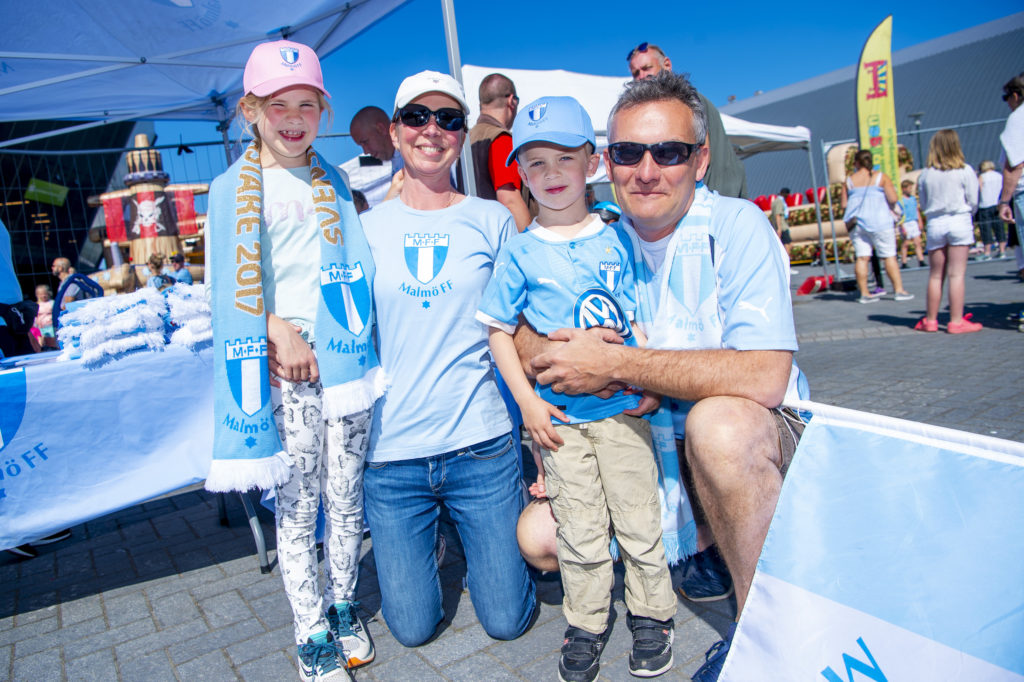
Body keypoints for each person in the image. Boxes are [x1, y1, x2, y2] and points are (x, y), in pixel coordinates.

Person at [513, 71, 809, 682]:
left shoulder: (735, 227)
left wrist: (617, 364)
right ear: (607, 162)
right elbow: (514, 326)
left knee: (719, 427)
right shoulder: (592, 237)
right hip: (644, 448)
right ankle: (702, 539)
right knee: (538, 536)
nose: (647, 170)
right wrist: (553, 350)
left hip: (757, 439)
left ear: (699, 161)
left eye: (668, 152)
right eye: (628, 153)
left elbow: (766, 375)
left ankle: (766, 637)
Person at [476, 96, 676, 681]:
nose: (552, 174)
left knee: (639, 517)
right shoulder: (518, 253)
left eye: (565, 158)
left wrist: (648, 378)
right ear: (521, 177)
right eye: (535, 164)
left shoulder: (619, 234)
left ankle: (651, 613)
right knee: (580, 527)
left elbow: (638, 316)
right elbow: (497, 335)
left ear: (592, 162)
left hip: (622, 412)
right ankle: (587, 620)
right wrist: (529, 404)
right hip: (561, 423)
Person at [206, 40, 383, 682]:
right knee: (300, 499)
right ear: (251, 110)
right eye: (278, 104)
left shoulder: (332, 179)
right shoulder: (230, 189)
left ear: (323, 111)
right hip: (288, 363)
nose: (293, 116)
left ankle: (342, 605)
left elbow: (353, 264)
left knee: (345, 491)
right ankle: (308, 629)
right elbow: (226, 283)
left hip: (345, 357)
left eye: (306, 104)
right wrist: (276, 328)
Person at [359, 70, 535, 649]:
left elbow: (522, 326)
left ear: (462, 132)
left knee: (507, 622)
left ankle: (470, 536)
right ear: (394, 130)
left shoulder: (492, 221)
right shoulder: (361, 231)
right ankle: (438, 536)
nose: (432, 130)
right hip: (393, 457)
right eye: (417, 117)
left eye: (448, 118)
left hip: (480, 447)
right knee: (410, 630)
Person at [625, 42, 746, 199]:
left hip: (715, 196)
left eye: (647, 68)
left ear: (667, 65)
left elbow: (701, 156)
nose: (641, 76)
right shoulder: (687, 100)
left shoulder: (684, 102)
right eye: (636, 73)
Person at [914, 129, 981, 333]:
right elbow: (973, 200)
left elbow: (924, 203)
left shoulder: (925, 174)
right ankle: (956, 321)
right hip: (959, 220)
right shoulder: (965, 171)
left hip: (936, 223)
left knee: (935, 275)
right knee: (956, 275)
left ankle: (931, 320)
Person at [840, 149, 914, 304]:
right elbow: (893, 198)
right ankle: (899, 290)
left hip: (857, 223)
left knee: (862, 257)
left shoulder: (849, 181)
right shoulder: (881, 177)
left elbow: (844, 205)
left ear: (857, 163)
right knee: (888, 256)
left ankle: (865, 293)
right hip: (880, 221)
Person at [468, 73, 532, 230]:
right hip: (502, 239)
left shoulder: (465, 140)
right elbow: (510, 200)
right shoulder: (501, 139)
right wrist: (531, 248)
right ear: (512, 101)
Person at [348, 105, 405, 204]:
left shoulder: (410, 155)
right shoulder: (397, 159)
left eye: (365, 142)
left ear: (381, 129)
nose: (365, 152)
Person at [997, 72, 1024, 282]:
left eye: (1007, 98)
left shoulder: (1018, 118)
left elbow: (1015, 165)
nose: (1007, 103)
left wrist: (1005, 201)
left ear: (1016, 95)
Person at [898, 179, 927, 268]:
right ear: (903, 188)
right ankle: (904, 261)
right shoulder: (901, 200)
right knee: (905, 243)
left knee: (917, 242)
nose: (911, 190)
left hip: (913, 221)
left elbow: (916, 210)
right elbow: (899, 213)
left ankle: (921, 260)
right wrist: (902, 226)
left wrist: (920, 221)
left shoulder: (913, 199)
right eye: (909, 188)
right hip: (905, 222)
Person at [769, 188, 798, 275]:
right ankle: (787, 267)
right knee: (787, 246)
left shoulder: (776, 201)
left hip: (782, 225)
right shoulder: (779, 202)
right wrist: (779, 228)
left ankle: (785, 266)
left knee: (787, 245)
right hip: (782, 226)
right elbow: (778, 214)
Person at [32, 284, 56, 348]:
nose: (43, 296)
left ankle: (54, 348)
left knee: (52, 340)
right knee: (42, 342)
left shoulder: (52, 303)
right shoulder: (36, 305)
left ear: (49, 293)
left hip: (51, 326)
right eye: (40, 294)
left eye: (45, 294)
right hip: (40, 327)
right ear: (37, 295)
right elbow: (35, 316)